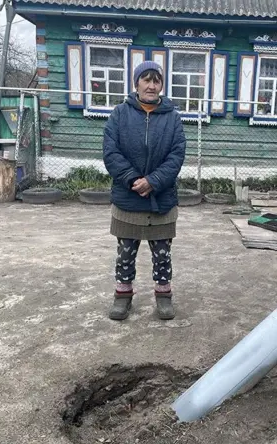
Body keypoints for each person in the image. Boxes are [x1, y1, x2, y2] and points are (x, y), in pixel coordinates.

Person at [102, 61, 186, 321]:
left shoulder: (172, 117)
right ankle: (122, 298)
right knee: (125, 253)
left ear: (161, 85)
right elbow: (110, 151)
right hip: (128, 198)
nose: (151, 85)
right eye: (146, 79)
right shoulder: (119, 114)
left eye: (156, 80)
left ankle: (163, 297)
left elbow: (177, 155)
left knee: (162, 255)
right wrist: (132, 179)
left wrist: (154, 181)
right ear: (136, 83)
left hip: (161, 199)